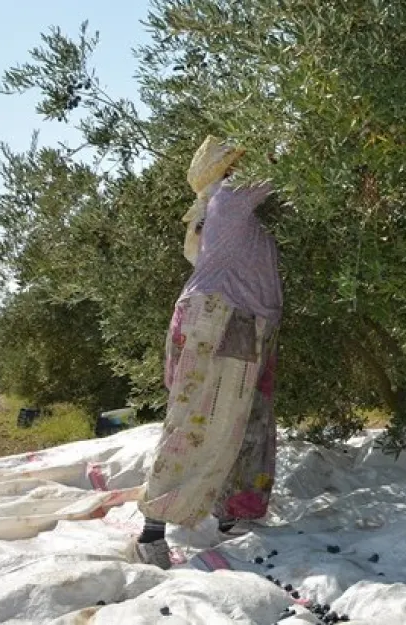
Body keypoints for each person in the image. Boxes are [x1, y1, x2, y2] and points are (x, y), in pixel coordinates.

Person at [134, 136, 284, 569]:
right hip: (223, 322)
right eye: (241, 159)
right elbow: (286, 162)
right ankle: (152, 531)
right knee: (198, 422)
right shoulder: (229, 196)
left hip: (243, 322)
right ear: (227, 169)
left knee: (246, 421)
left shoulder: (229, 207)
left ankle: (231, 517)